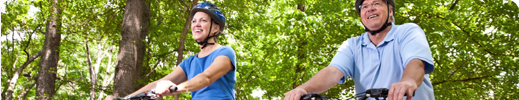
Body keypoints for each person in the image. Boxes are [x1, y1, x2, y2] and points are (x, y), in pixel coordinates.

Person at [284, 0, 435, 100]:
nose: (370, 9)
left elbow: (416, 62)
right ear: (361, 16)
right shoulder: (352, 45)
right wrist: (303, 89)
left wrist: (408, 81)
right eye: (365, 6)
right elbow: (332, 72)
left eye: (376, 3)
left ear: (390, 11)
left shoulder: (408, 31)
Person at [106, 2, 237, 100]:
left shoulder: (225, 52)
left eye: (203, 20)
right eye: (194, 21)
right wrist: (125, 98)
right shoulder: (189, 62)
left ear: (215, 28)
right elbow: (157, 83)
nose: (196, 24)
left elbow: (206, 78)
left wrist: (174, 88)